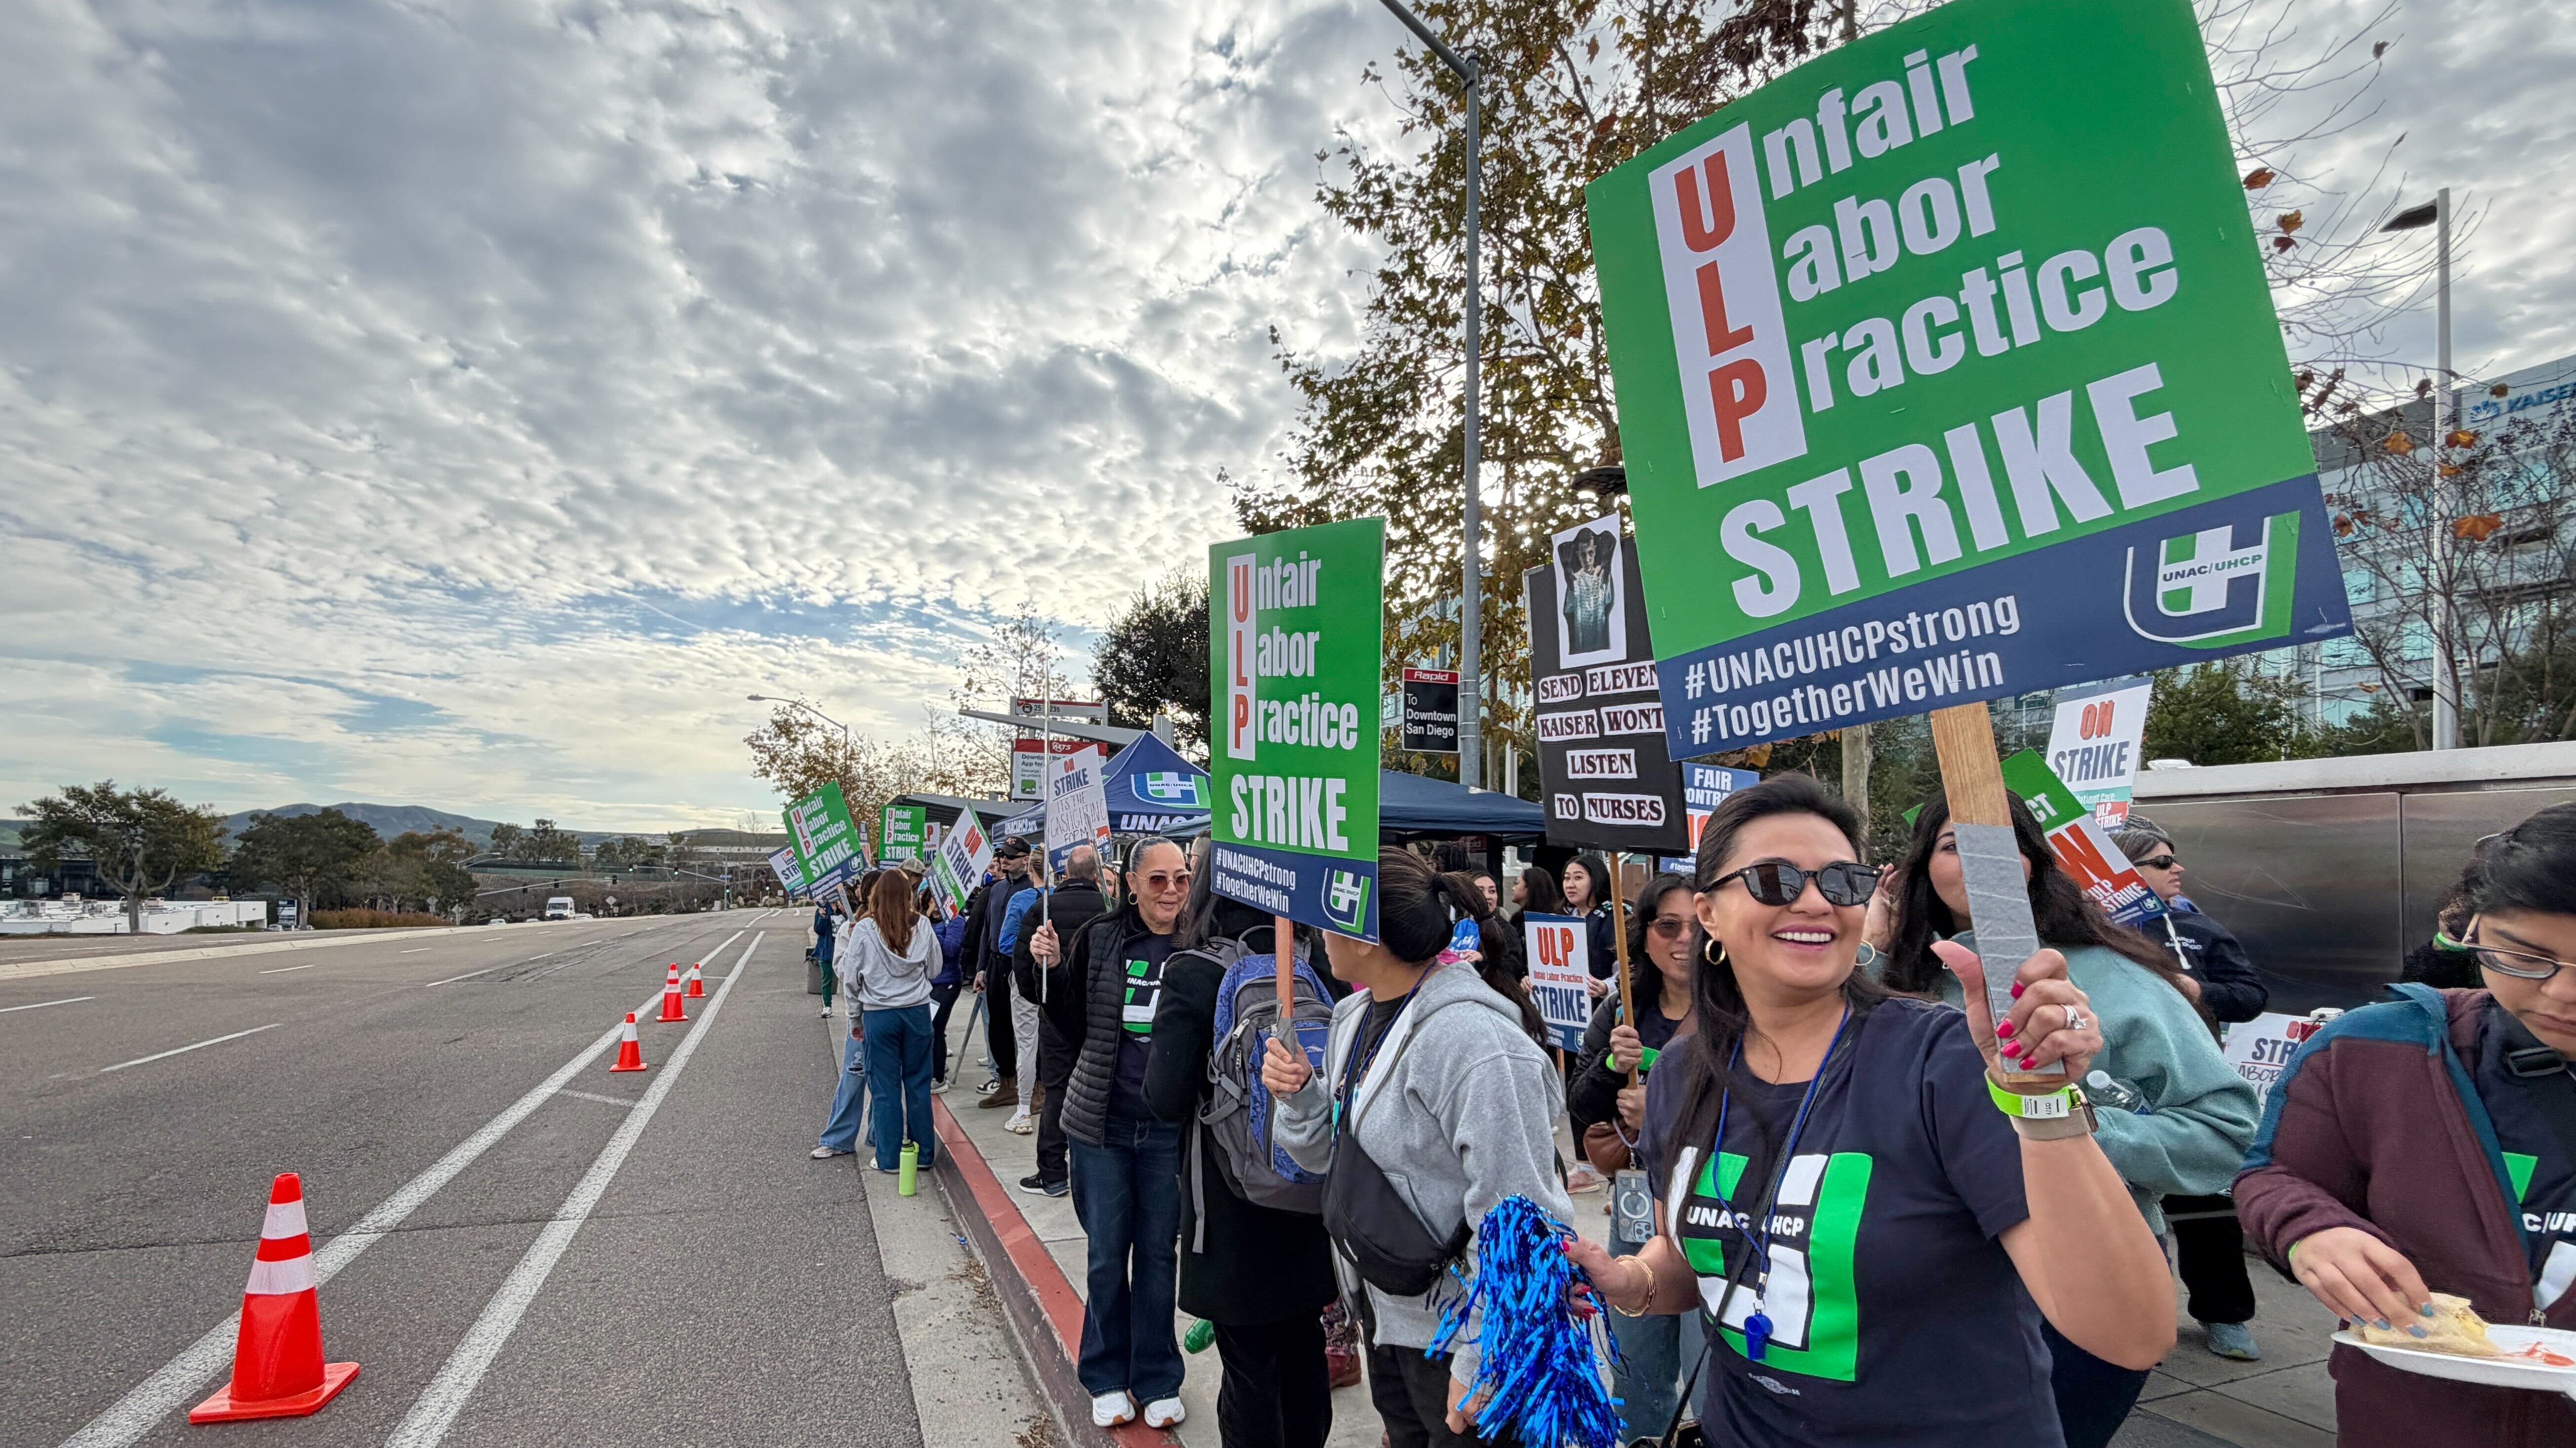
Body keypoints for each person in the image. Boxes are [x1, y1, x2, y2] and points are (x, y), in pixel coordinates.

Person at [1566, 774, 2177, 1448]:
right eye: (1774, 879)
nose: (1814, 903)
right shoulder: (1682, 1074)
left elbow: (2130, 1332)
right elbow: (1695, 1255)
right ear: (1708, 913)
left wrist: (2044, 1103)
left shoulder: (1939, 1059)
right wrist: (1630, 1279)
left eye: (1841, 883)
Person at [1878, 796, 2257, 1448]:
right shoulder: (1886, 983)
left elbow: (2222, 1129)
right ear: (1919, 869)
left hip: (2081, 1277)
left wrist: (2073, 1128)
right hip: (1915, 1289)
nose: (1974, 860)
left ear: (2030, 862)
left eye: (1997, 842)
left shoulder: (2114, 977)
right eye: (1950, 845)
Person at [2235, 803, 2576, 1446]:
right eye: (2526, 957)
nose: (2560, 995)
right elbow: (2274, 1175)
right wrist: (2309, 1231)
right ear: (2473, 929)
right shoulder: (2369, 1049)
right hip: (2407, 1415)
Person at [1263, 849, 1576, 1448]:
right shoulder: (1353, 1016)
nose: (1313, 931)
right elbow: (1331, 1157)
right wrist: (1303, 1096)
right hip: (1389, 1320)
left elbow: (1524, 1218)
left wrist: (1481, 1357)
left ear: (1364, 936)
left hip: (1465, 1344)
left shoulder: (1477, 1045)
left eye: (1326, 917)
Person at [1145, 865, 1338, 1448]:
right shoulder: (1313, 969)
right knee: (1304, 1354)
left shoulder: (1194, 973)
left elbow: (1164, 1097)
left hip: (1229, 1212)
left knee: (1250, 1374)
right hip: (1309, 1199)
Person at [1028, 839, 1194, 1431]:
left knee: (1156, 1254)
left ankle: (1157, 1376)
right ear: (1130, 882)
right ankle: (1104, 1373)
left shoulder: (1197, 941)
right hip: (1102, 1122)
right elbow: (1067, 1019)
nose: (1171, 891)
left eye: (1181, 877)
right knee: (1106, 1254)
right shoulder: (1100, 937)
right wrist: (1043, 966)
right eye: (1158, 880)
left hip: (1168, 1127)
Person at [2111, 815, 2269, 1362]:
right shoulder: (2090, 936)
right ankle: (2130, 1317)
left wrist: (2196, 988)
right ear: (2122, 872)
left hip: (2187, 1091)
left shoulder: (2198, 929)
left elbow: (2250, 993)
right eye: (2160, 861)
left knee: (2205, 1207)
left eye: (2173, 857)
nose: (2177, 868)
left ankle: (2224, 1314)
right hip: (2113, 1092)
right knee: (2117, 1215)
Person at [1565, 873, 1702, 1445]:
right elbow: (1577, 1104)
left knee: (1710, 1370)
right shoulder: (1625, 1007)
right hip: (1638, 1209)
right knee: (1636, 1370)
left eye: (1697, 925)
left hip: (1715, 1210)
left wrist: (1662, 1110)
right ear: (1644, 936)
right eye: (1668, 926)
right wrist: (1608, 1067)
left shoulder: (1746, 1004)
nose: (1684, 940)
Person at [1014, 844, 1111, 1196]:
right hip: (1102, 1018)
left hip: (1055, 1017)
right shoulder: (1110, 910)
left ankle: (1053, 1172)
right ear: (1098, 876)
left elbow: (1024, 968)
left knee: (1057, 1092)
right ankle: (1100, 1170)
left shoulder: (1042, 911)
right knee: (1102, 1089)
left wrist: (1042, 1000)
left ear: (1066, 874)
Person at [843, 868, 938, 1174]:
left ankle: (889, 1158)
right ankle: (923, 1155)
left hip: (878, 1014)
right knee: (919, 1085)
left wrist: (854, 1018)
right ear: (908, 896)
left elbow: (850, 979)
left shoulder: (865, 929)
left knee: (884, 1089)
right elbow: (935, 968)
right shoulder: (922, 925)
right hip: (917, 1012)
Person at [929, 887, 969, 1092]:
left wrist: (928, 932)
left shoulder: (956, 922)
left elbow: (951, 950)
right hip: (929, 982)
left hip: (947, 981)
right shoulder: (926, 921)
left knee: (936, 1026)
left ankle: (938, 1078)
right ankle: (937, 1064)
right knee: (930, 1028)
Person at [1506, 864, 1563, 935]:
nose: (1513, 888)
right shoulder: (1517, 921)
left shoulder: (1555, 922)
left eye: (1517, 883)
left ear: (1529, 887)